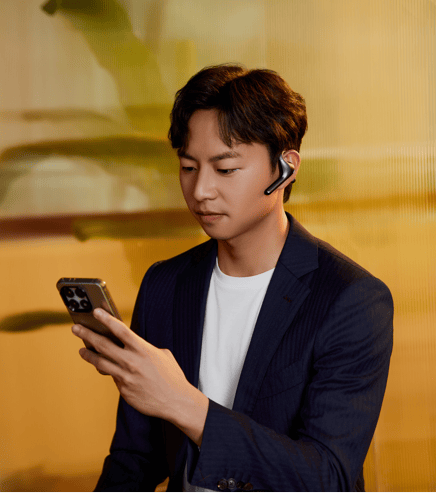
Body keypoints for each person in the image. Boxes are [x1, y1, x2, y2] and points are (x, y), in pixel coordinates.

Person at [72, 64, 394, 492]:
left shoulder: (351, 299)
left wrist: (187, 406)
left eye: (225, 170)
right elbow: (135, 459)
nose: (200, 190)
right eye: (189, 167)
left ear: (285, 168)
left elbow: (327, 477)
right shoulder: (165, 285)